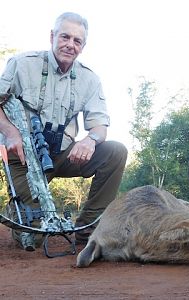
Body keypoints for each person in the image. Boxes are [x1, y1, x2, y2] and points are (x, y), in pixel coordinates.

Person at [0, 12, 128, 251]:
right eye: (65, 37)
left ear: (83, 46)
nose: (70, 45)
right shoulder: (22, 63)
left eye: (77, 41)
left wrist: (90, 140)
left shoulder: (90, 79)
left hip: (62, 155)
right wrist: (10, 132)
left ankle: (89, 228)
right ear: (52, 37)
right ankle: (17, 209)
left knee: (115, 152)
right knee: (34, 235)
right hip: (24, 158)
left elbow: (100, 125)